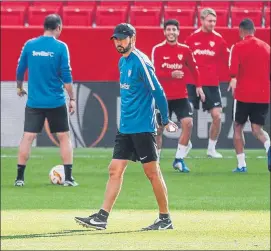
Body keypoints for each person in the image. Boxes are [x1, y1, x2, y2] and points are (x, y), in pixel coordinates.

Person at [75, 23, 178, 231]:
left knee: (152, 173)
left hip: (142, 128)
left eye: (122, 39)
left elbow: (158, 91)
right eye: (116, 39)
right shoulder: (123, 62)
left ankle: (165, 218)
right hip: (126, 128)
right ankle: (102, 217)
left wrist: (165, 120)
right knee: (115, 170)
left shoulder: (141, 62)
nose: (119, 43)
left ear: (133, 38)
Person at [15, 14, 78, 187]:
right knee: (64, 137)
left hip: (34, 102)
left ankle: (20, 178)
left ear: (44, 27)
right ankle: (69, 178)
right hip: (55, 101)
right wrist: (72, 98)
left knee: (27, 137)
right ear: (58, 27)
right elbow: (67, 76)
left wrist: (19, 87)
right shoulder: (61, 47)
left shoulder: (30, 45)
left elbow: (20, 70)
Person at [151, 19, 205, 172]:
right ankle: (156, 162)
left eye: (174, 30)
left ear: (178, 32)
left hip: (181, 96)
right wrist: (170, 74)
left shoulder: (185, 50)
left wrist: (199, 86)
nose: (171, 32)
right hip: (163, 97)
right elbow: (153, 73)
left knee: (188, 123)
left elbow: (194, 69)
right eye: (168, 30)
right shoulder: (158, 49)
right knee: (158, 130)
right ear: (164, 32)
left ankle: (179, 159)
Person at [185, 8, 230, 158]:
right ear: (202, 20)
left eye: (214, 21)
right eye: (210, 21)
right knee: (186, 116)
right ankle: (186, 143)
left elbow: (228, 59)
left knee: (217, 116)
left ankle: (211, 148)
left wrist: (233, 76)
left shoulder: (218, 39)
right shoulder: (192, 39)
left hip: (211, 84)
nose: (212, 24)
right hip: (192, 82)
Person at [228, 18, 270, 173]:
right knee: (257, 129)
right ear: (254, 30)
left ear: (241, 31)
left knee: (238, 127)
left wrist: (233, 78)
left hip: (244, 94)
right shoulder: (266, 47)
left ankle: (241, 165)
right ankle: (269, 146)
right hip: (263, 95)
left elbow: (233, 70)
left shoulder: (237, 47)